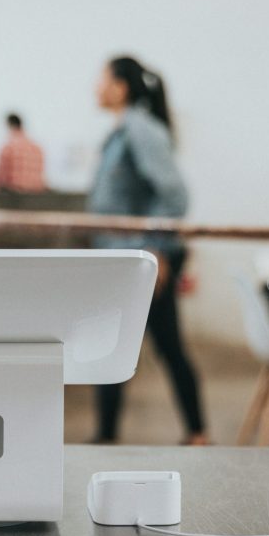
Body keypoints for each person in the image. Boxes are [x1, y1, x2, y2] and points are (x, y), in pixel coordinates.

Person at [89, 55, 208, 446]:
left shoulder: (141, 129)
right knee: (115, 347)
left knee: (154, 347)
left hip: (140, 262)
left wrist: (154, 251)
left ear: (120, 86)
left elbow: (175, 194)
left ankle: (195, 432)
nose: (96, 87)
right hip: (123, 259)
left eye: (102, 79)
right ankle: (112, 436)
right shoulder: (123, 131)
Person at [0, 113, 45, 193]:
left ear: (10, 125)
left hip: (15, 194)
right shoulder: (37, 148)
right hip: (35, 192)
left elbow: (0, 178)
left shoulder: (9, 147)